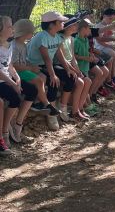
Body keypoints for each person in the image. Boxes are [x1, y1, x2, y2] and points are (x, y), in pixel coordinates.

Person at [26, 11, 79, 130]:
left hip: (46, 65)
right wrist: (53, 74)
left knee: (70, 77)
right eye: (60, 21)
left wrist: (68, 69)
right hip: (36, 65)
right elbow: (46, 58)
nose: (63, 23)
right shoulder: (42, 36)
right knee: (53, 80)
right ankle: (51, 112)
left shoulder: (56, 36)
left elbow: (59, 55)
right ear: (51, 24)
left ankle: (63, 106)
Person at [11, 19, 60, 119]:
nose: (33, 34)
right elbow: (15, 65)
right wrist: (31, 68)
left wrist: (33, 67)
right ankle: (47, 104)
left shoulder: (23, 45)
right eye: (31, 32)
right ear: (26, 33)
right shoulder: (14, 46)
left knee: (42, 76)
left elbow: (24, 60)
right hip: (18, 72)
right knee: (39, 80)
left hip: (24, 69)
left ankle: (37, 102)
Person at [0, 16, 36, 146]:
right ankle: (5, 130)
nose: (12, 28)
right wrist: (12, 83)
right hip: (2, 81)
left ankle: (17, 123)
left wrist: (17, 78)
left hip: (8, 79)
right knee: (14, 97)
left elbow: (9, 65)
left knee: (32, 90)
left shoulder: (8, 44)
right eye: (9, 26)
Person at [94, 8, 115, 86]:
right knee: (114, 56)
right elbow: (99, 41)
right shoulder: (98, 26)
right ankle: (114, 77)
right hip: (101, 46)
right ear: (104, 16)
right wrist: (110, 45)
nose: (111, 20)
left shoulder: (111, 25)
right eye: (110, 18)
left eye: (113, 19)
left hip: (111, 46)